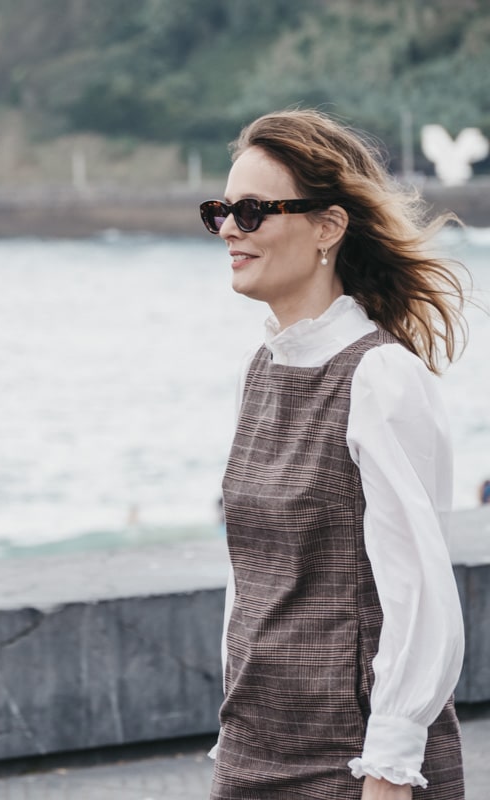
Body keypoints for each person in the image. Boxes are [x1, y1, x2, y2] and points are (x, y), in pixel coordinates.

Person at [199, 109, 469, 799]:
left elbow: (420, 594)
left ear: (328, 226)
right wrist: (232, 723)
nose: (228, 228)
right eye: (221, 211)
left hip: (354, 757)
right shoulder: (258, 370)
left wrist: (390, 768)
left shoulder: (381, 376)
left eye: (252, 211)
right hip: (253, 746)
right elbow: (251, 583)